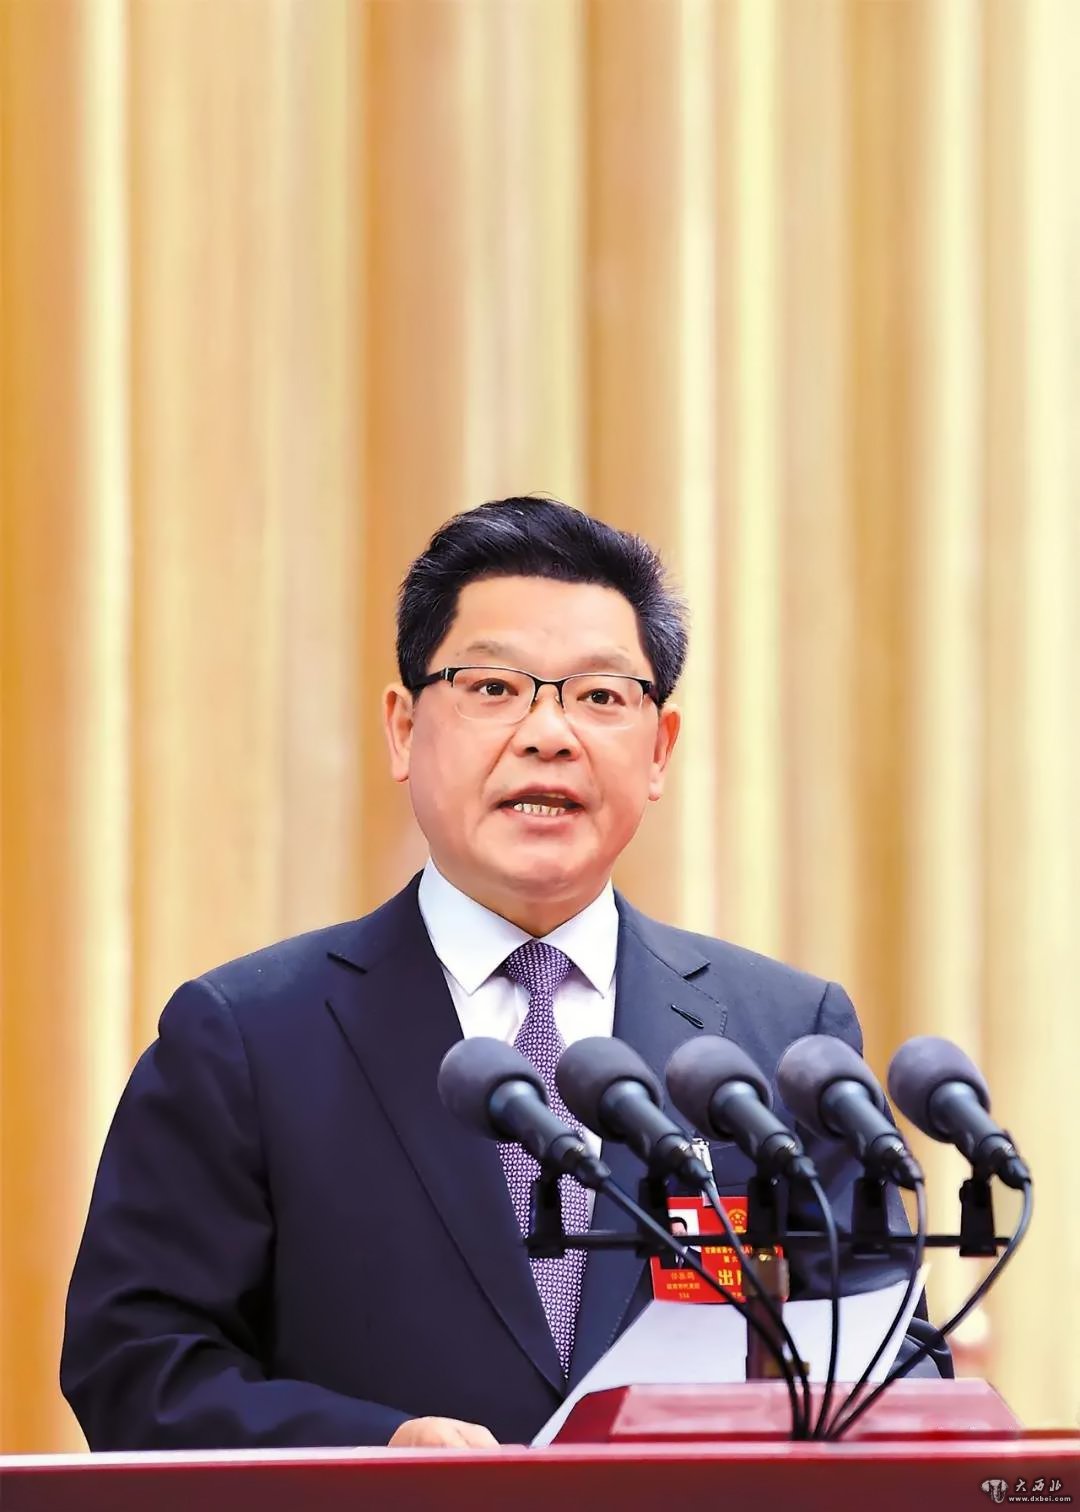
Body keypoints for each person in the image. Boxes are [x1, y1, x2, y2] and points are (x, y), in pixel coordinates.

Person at [61, 497, 944, 1452]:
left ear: (659, 750)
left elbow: (892, 1360)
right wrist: (382, 1453)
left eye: (601, 696)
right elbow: (138, 1368)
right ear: (404, 729)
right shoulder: (247, 1037)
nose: (549, 733)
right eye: (493, 687)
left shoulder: (780, 1035)